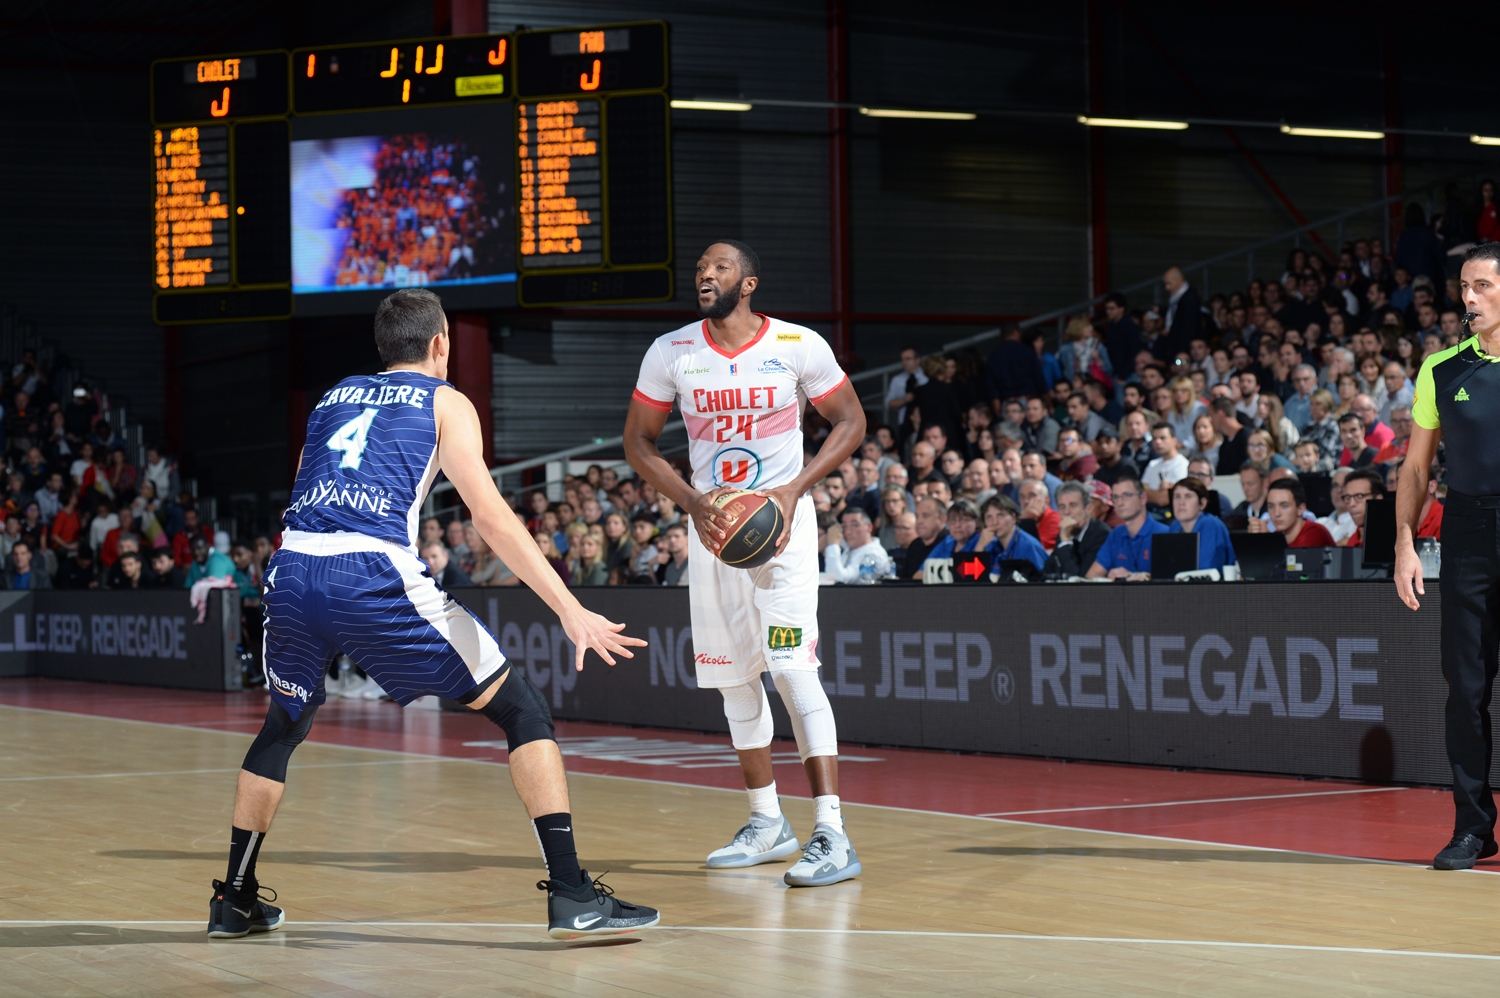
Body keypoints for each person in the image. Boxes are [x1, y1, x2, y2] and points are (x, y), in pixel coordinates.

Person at [207, 288, 655, 942]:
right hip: (370, 572)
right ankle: (572, 893)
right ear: (440, 343)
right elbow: (492, 518)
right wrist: (569, 607)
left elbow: (303, 479)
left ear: (383, 347)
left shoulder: (333, 397)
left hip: (295, 566)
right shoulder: (445, 400)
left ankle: (233, 900)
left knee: (284, 724)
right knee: (521, 708)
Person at [623, 240, 865, 887]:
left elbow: (850, 421)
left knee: (791, 666)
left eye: (720, 268)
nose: (705, 276)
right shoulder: (672, 352)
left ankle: (832, 832)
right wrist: (692, 502)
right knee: (732, 680)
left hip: (782, 530)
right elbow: (637, 443)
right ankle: (767, 821)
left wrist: (794, 489)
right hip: (715, 533)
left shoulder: (795, 345)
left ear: (749, 282)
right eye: (700, 269)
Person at [1395, 245, 1500, 869]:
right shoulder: (1441, 368)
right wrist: (1406, 543)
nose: (1469, 298)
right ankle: (1472, 827)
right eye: (1464, 287)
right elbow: (1414, 466)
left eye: (1483, 286)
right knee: (1464, 689)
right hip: (1465, 534)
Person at [1085, 473, 1168, 579]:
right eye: (1115, 497)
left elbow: (1170, 579)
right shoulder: (1115, 534)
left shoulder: (1163, 533)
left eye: (1126, 495)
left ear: (1143, 498)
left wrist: (1137, 577)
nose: (1120, 503)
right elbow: (1091, 576)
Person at [1167, 479, 1235, 572]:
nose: (1181, 502)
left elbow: (1206, 571)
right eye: (1177, 496)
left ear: (1202, 503)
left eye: (1188, 496)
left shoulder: (1211, 525)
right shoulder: (1175, 526)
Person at [1043, 482, 1109, 578]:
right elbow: (1048, 571)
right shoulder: (1066, 532)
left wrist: (1065, 542)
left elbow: (1078, 580)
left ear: (1088, 509)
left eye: (1073, 505)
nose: (1067, 512)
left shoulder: (1101, 535)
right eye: (1062, 507)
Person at [975, 494, 1047, 574]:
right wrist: (980, 547)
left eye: (1000, 515)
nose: (994, 522)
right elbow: (975, 578)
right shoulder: (989, 544)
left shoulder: (1029, 546)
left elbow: (1045, 580)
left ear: (1014, 517)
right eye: (989, 517)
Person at [1254, 478, 1335, 548]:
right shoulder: (1277, 535)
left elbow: (1294, 564)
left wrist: (1266, 541)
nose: (1276, 513)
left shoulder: (1315, 533)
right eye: (1271, 506)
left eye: (1284, 506)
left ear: (1300, 509)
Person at [822, 507, 892, 583]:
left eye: (855, 525)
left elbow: (838, 579)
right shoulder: (852, 547)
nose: (848, 532)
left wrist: (833, 545)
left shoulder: (873, 554)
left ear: (869, 527)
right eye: (844, 526)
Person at [1142, 423, 1189, 507]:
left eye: (1162, 438)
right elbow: (1141, 493)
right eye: (1154, 438)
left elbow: (1165, 499)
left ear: (1174, 440)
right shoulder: (1152, 464)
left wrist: (1149, 492)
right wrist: (1159, 494)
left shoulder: (1183, 465)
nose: (1158, 442)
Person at [884, 347, 928, 426]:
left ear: (918, 360)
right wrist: (905, 400)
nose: (904, 362)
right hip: (904, 423)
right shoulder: (897, 380)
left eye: (908, 359)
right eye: (902, 359)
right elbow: (888, 404)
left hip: (926, 422)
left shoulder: (927, 378)